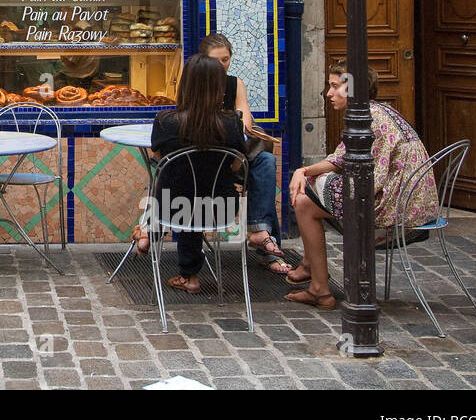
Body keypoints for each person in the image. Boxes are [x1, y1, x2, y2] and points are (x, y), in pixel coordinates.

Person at [285, 63, 439, 310]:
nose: (328, 93)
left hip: (395, 215)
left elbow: (358, 175)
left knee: (308, 192)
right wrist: (302, 171)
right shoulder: (379, 111)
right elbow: (341, 160)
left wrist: (304, 174)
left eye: (335, 86)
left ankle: (317, 284)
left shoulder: (367, 118)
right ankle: (315, 282)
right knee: (305, 201)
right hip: (415, 208)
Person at [148, 53, 248, 294]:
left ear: (185, 86)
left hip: (173, 208)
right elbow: (237, 164)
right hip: (221, 208)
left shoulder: (165, 121)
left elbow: (161, 160)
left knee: (178, 187)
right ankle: (188, 272)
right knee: (198, 190)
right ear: (219, 89)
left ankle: (188, 274)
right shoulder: (232, 123)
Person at [199, 33, 291, 275]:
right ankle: (266, 243)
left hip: (236, 153)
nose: (221, 65)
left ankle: (259, 232)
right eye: (215, 60)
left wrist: (235, 136)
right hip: (206, 157)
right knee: (262, 175)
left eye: (226, 59)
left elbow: (245, 124)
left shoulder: (235, 84)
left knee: (266, 163)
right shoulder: (194, 84)